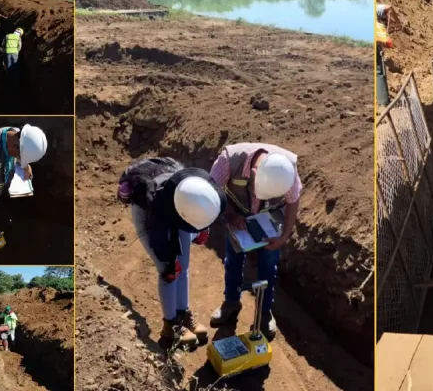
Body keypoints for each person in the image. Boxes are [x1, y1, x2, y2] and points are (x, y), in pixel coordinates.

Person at [118, 157, 226, 350]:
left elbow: (204, 212)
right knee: (168, 272)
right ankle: (170, 326)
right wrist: (167, 260)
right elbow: (158, 239)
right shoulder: (155, 203)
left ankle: (183, 312)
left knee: (183, 267)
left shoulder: (198, 191)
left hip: (179, 204)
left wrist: (201, 229)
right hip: (150, 214)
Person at [208, 143, 302, 341]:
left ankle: (265, 313)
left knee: (268, 265)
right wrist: (229, 214)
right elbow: (210, 192)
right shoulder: (228, 160)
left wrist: (283, 236)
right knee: (233, 260)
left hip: (268, 219)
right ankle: (231, 303)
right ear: (253, 172)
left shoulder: (286, 169)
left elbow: (293, 201)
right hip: (236, 214)